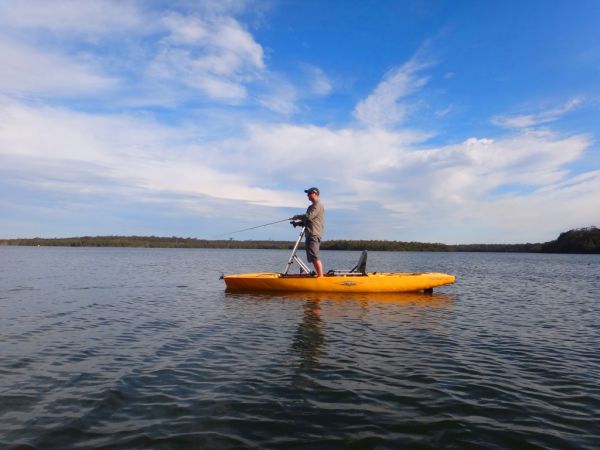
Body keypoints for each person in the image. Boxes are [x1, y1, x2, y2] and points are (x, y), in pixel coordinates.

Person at [292, 187, 325, 277]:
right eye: (307, 194)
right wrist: (298, 223)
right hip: (310, 234)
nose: (308, 196)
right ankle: (319, 275)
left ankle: (321, 277)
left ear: (315, 193)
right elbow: (308, 220)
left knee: (314, 255)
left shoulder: (318, 205)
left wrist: (297, 216)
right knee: (312, 256)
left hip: (314, 234)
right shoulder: (311, 206)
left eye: (309, 194)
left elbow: (309, 217)